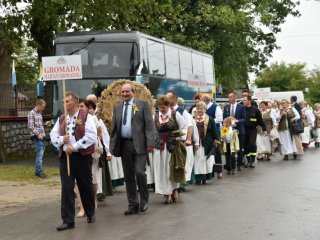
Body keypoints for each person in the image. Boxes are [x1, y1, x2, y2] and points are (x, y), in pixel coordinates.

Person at [50, 92, 97, 231]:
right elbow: (53, 135)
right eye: (64, 101)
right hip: (66, 159)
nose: (65, 104)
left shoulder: (86, 117)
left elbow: (91, 136)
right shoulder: (61, 118)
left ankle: (90, 212)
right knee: (67, 188)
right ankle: (68, 220)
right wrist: (61, 140)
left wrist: (74, 146)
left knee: (85, 186)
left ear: (76, 103)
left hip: (82, 157)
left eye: (67, 101)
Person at [109, 83, 155, 215]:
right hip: (124, 145)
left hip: (140, 144)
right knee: (128, 176)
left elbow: (149, 126)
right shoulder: (117, 107)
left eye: (127, 92)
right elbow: (114, 128)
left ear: (133, 92)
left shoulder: (142, 104)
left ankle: (144, 201)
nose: (124, 94)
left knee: (140, 172)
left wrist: (150, 143)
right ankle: (133, 204)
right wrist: (112, 146)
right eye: (122, 92)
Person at [153, 95, 187, 203]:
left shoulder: (175, 114)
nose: (161, 109)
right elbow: (154, 130)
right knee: (161, 171)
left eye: (163, 107)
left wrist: (179, 137)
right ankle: (165, 192)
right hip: (160, 147)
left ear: (168, 105)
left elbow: (184, 127)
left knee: (171, 170)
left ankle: (173, 189)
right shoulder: (156, 116)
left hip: (172, 147)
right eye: (159, 107)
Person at [194, 101, 219, 184]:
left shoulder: (210, 119)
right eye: (198, 108)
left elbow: (214, 131)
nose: (199, 110)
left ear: (205, 109)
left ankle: (204, 178)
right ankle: (197, 178)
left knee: (205, 160)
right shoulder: (193, 118)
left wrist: (216, 140)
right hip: (196, 143)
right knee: (197, 160)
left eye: (201, 108)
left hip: (207, 143)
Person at [201, 94, 223, 178]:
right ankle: (208, 171)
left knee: (216, 152)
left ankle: (219, 171)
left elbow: (219, 118)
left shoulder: (215, 107)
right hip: (204, 134)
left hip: (215, 133)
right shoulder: (201, 108)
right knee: (206, 152)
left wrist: (208, 121)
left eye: (202, 100)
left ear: (206, 101)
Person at [223, 92, 246, 170]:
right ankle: (229, 164)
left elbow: (244, 119)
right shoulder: (226, 107)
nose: (229, 98)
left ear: (235, 98)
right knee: (228, 147)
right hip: (228, 130)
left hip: (239, 130)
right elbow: (224, 118)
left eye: (230, 97)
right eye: (228, 97)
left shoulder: (241, 107)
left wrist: (236, 120)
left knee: (238, 147)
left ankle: (239, 164)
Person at [27, 98, 50, 178]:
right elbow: (30, 126)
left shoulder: (39, 114)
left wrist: (45, 124)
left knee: (40, 154)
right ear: (38, 105)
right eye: (42, 107)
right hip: (37, 137)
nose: (43, 109)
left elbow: (38, 126)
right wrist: (38, 134)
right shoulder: (31, 113)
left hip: (42, 136)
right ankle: (40, 172)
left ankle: (37, 172)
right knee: (40, 155)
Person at [242, 96, 266, 168]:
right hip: (244, 130)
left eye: (245, 100)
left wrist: (264, 129)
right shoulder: (242, 109)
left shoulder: (255, 110)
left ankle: (252, 161)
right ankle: (248, 160)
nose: (243, 102)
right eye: (243, 100)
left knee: (252, 144)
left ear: (249, 101)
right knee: (245, 146)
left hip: (252, 130)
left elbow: (260, 121)